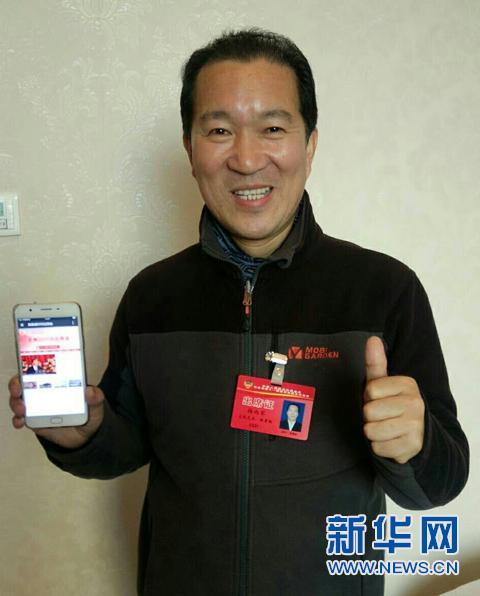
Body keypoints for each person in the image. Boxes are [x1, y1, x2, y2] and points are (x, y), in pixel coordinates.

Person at [9, 28, 469, 596]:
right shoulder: (151, 297)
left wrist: (414, 446)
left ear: (310, 144)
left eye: (273, 128)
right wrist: (85, 432)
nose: (247, 159)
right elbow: (126, 447)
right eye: (219, 130)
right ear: (189, 148)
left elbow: (441, 482)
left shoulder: (384, 290)